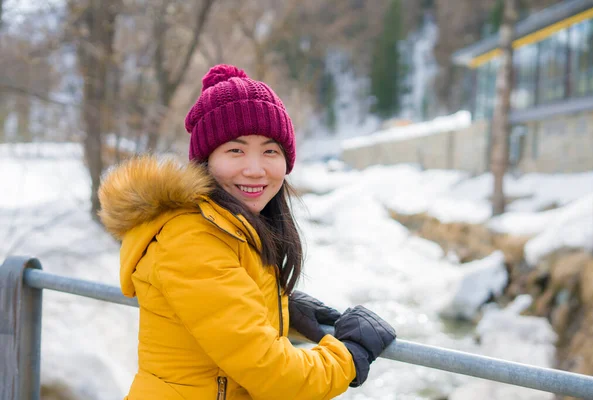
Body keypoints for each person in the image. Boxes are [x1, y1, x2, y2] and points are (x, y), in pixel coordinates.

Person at [98, 64, 396, 400]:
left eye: (270, 151)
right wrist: (351, 354)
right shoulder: (191, 240)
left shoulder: (232, 229)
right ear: (205, 161)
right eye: (235, 150)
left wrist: (279, 305)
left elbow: (221, 317)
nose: (255, 170)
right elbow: (277, 376)